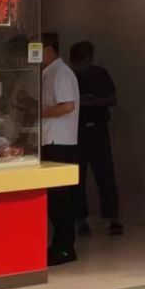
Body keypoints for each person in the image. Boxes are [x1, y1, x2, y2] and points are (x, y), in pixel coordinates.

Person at [70, 41, 122, 237]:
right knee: (80, 177)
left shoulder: (99, 74)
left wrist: (95, 101)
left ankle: (111, 217)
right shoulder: (71, 76)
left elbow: (112, 99)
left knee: (104, 174)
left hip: (95, 127)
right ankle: (82, 219)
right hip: (79, 129)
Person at [38, 34, 80, 266]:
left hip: (60, 142)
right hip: (51, 140)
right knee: (55, 199)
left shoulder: (60, 72)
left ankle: (65, 248)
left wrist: (39, 113)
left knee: (60, 199)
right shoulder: (49, 73)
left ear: (49, 49)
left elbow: (67, 106)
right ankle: (59, 245)